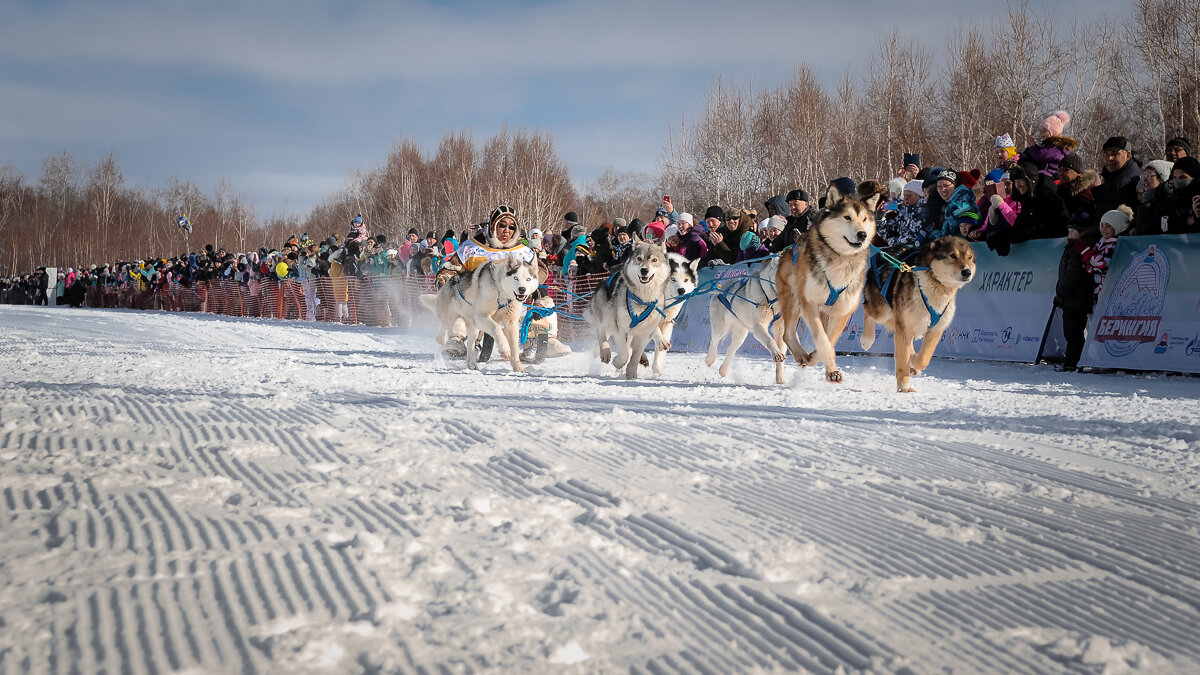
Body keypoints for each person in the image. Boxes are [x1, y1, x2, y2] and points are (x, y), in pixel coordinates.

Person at [1093, 136, 1141, 218]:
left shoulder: (1127, 180)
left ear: (1128, 155)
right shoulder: (1113, 176)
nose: (1109, 158)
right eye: (1106, 155)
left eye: (1114, 154)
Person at [1018, 111, 1077, 178]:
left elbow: (1042, 156)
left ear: (1053, 131)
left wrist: (1033, 146)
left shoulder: (1056, 146)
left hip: (1052, 174)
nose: (1042, 133)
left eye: (1045, 131)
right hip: (1046, 173)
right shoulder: (1048, 144)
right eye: (1041, 131)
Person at [1056, 153, 1100, 229]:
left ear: (1078, 173)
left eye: (1065, 170)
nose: (1060, 173)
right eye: (1059, 169)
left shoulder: (1086, 193)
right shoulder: (1060, 191)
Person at [880, 179, 926, 246]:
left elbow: (910, 239)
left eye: (909, 195)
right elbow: (885, 232)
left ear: (919, 196)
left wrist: (891, 241)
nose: (906, 198)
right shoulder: (904, 211)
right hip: (900, 249)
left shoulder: (923, 212)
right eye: (904, 195)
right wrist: (880, 217)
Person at [1133, 159, 1173, 235]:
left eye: (1149, 176)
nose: (1144, 180)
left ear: (1162, 179)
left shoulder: (1166, 203)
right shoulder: (1145, 200)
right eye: (1143, 175)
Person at [1167, 155, 1200, 233]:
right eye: (1175, 178)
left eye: (1183, 178)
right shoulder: (1172, 199)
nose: (1178, 181)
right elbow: (1168, 225)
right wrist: (1193, 219)